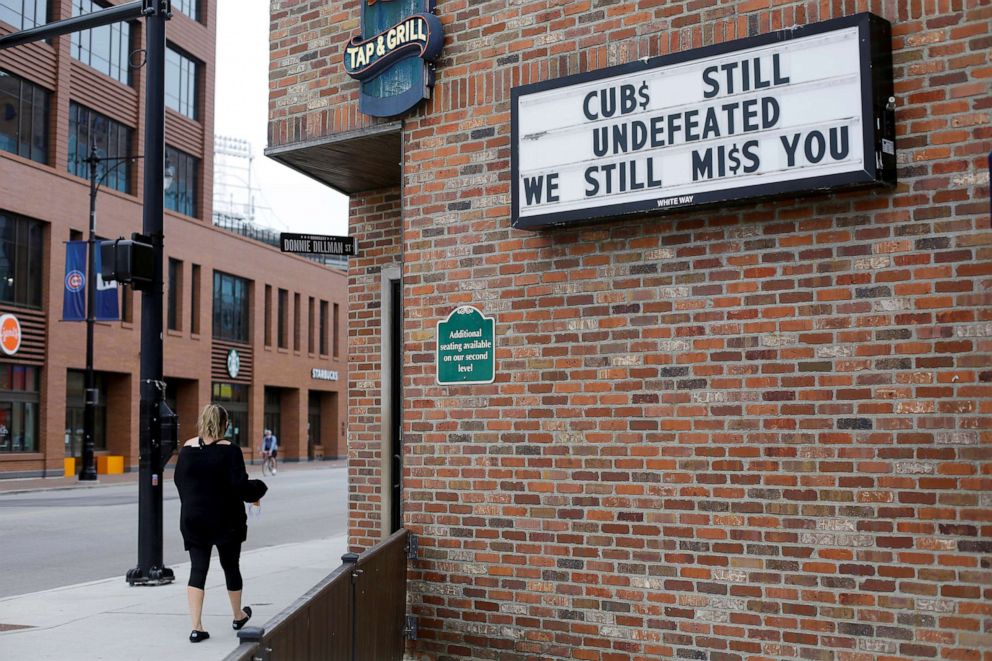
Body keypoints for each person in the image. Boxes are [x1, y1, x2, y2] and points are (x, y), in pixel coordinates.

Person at [174, 404, 268, 643]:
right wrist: (259, 490)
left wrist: (194, 504)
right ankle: (238, 616)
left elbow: (179, 483)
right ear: (225, 424)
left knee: (198, 569)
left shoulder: (186, 449)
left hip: (194, 519)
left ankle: (196, 627)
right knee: (230, 566)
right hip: (226, 520)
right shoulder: (231, 451)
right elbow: (240, 486)